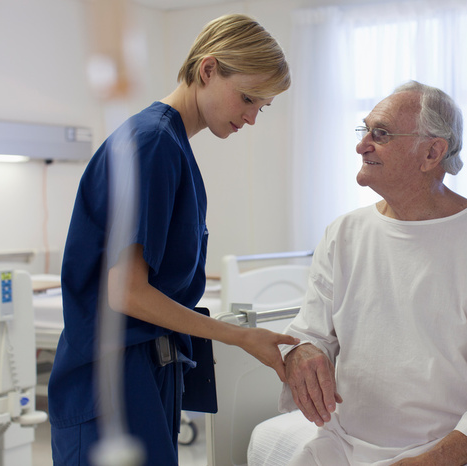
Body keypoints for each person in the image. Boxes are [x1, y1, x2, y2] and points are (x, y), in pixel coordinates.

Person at [48, 14, 299, 466]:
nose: (251, 117)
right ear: (208, 69)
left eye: (262, 106)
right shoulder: (152, 144)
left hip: (148, 369)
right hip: (113, 379)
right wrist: (239, 337)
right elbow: (127, 291)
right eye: (247, 98)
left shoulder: (171, 145)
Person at [279, 81, 467, 466]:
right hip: (345, 443)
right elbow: (309, 334)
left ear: (432, 152)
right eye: (364, 129)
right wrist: (300, 352)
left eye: (380, 134)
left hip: (458, 451)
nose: (361, 144)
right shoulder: (343, 234)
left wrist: (424, 463)